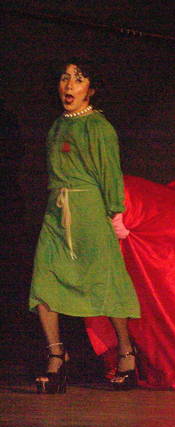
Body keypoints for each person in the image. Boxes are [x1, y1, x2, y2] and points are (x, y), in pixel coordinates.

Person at [29, 57, 140, 393]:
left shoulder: (99, 127)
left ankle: (126, 352)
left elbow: (110, 172)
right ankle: (56, 356)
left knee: (105, 282)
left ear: (91, 90)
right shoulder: (56, 126)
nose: (69, 85)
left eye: (78, 79)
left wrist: (115, 212)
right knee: (44, 281)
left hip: (89, 211)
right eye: (65, 78)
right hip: (56, 212)